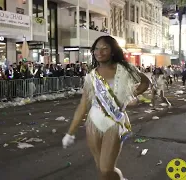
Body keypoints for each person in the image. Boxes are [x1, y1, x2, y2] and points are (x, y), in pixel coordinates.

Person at [62, 36, 150, 180]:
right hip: (93, 123)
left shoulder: (126, 69)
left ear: (113, 51)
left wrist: (127, 96)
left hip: (114, 122)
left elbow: (145, 82)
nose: (99, 52)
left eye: (105, 48)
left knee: (106, 169)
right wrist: (70, 132)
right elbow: (83, 104)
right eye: (97, 48)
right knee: (102, 170)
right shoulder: (91, 76)